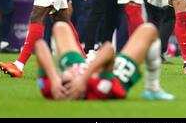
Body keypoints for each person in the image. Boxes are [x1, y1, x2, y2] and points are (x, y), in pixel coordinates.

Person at [35, 21, 174, 101]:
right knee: (149, 30)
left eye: (63, 76)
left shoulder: (53, 89)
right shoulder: (99, 88)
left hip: (85, 68)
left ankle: (86, 62)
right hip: (117, 73)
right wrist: (83, 79)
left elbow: (40, 45)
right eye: (66, 78)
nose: (65, 74)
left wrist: (54, 79)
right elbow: (108, 50)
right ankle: (152, 88)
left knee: (60, 27)